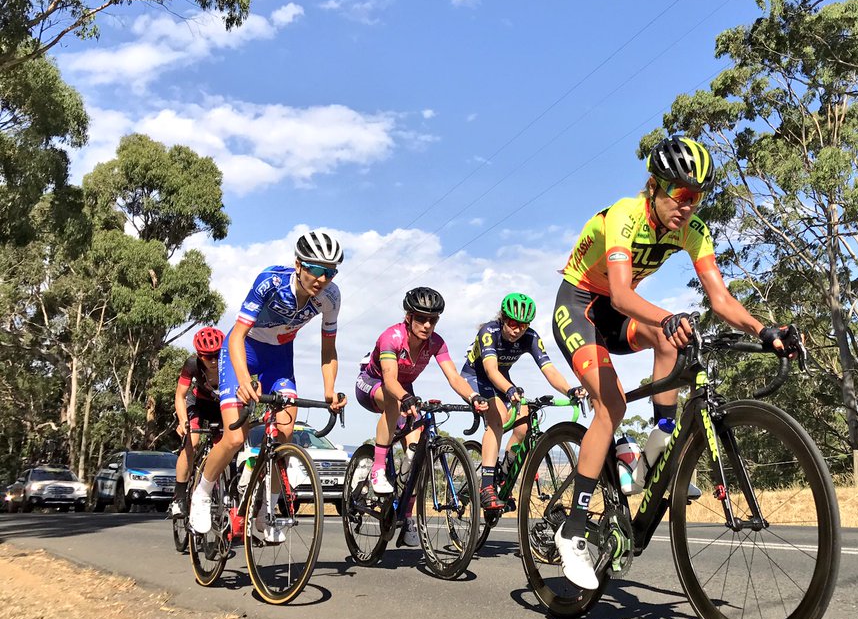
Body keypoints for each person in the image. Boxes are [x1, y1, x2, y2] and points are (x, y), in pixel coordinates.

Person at [551, 135, 801, 588]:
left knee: (673, 345)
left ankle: (655, 453)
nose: (688, 207)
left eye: (697, 198)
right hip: (580, 304)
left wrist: (764, 330)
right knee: (611, 405)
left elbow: (720, 298)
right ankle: (573, 529)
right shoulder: (626, 215)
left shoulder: (693, 230)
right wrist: (670, 316)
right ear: (654, 186)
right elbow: (624, 294)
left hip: (618, 312)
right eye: (681, 196)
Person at [189, 231, 348, 543]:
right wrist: (244, 379)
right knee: (235, 436)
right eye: (316, 270)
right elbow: (235, 336)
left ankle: (266, 512)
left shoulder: (331, 298)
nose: (322, 279)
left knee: (285, 436)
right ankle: (202, 493)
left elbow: (328, 349)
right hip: (243, 351)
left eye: (330, 272)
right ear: (299, 265)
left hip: (279, 359)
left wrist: (330, 390)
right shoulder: (271, 282)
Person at [356, 286, 488, 547]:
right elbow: (391, 379)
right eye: (421, 318)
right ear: (408, 317)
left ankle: (405, 517)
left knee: (417, 457)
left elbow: (453, 377)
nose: (427, 325)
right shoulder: (391, 337)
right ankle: (377, 469)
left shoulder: (436, 343)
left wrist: (473, 396)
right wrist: (405, 397)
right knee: (393, 403)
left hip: (405, 391)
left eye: (433, 319)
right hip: (374, 383)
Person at [460, 292, 587, 512]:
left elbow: (549, 370)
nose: (517, 330)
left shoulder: (530, 337)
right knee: (498, 416)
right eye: (512, 323)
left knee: (524, 421)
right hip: (475, 377)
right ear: (503, 318)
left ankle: (503, 476)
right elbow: (490, 371)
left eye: (523, 325)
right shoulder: (489, 332)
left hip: (501, 378)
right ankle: (487, 486)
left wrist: (570, 389)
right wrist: (509, 389)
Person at [170, 327, 225, 518]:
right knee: (191, 442)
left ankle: (220, 489)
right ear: (198, 355)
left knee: (225, 447)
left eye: (216, 355)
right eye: (207, 356)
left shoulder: (231, 361)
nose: (213, 360)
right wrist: (183, 420)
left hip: (221, 407)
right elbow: (180, 395)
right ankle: (178, 498)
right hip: (198, 404)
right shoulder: (191, 364)